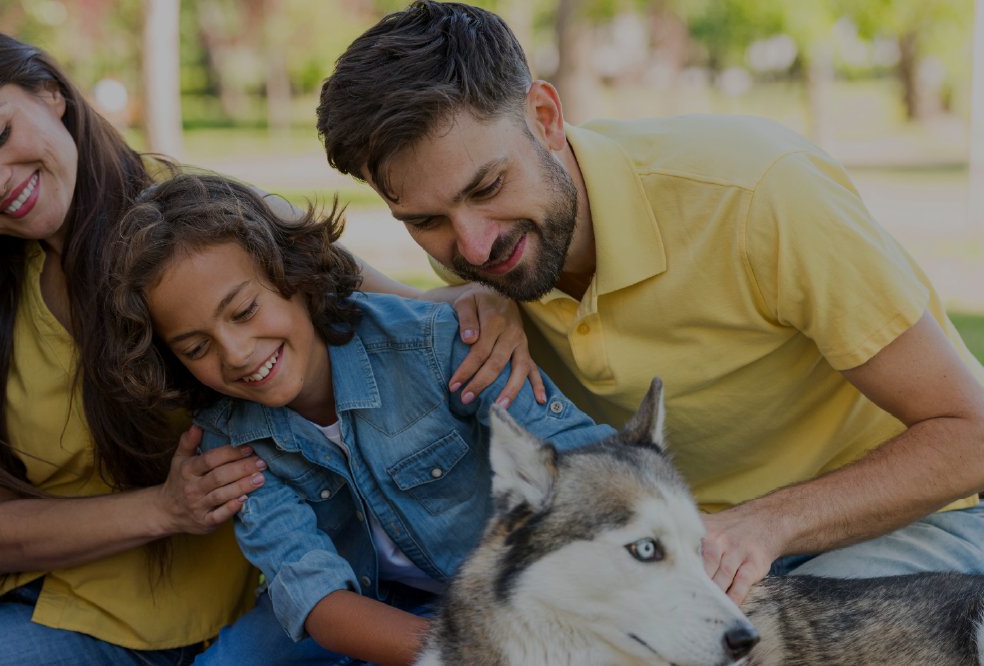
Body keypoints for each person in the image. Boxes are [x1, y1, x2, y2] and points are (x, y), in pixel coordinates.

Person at [0, 17, 537, 663]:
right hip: (9, 530)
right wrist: (163, 505)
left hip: (142, 616)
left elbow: (395, 315)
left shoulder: (204, 232)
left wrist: (484, 301)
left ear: (49, 94)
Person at [315, 0, 984, 606]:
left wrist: (767, 523)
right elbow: (350, 278)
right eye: (425, 220)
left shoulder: (759, 194)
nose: (475, 242)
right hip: (702, 553)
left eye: (488, 184)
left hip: (925, 517)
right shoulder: (489, 258)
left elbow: (970, 435)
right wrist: (465, 296)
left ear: (545, 118)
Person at [98, 171, 615, 665]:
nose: (234, 353)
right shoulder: (228, 440)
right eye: (195, 346)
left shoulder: (436, 345)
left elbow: (580, 455)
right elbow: (317, 599)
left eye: (245, 311)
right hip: (370, 606)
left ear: (294, 276)